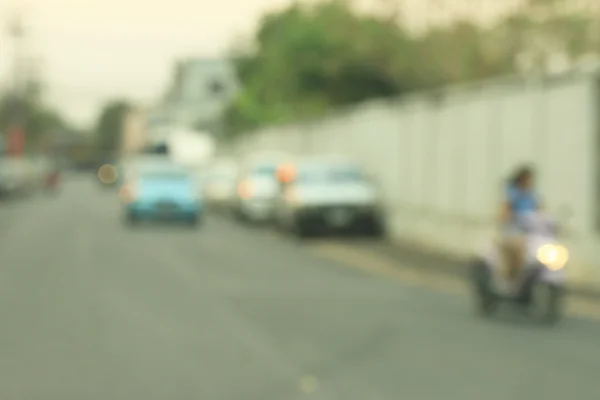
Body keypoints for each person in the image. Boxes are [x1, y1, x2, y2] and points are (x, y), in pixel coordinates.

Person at [498, 165, 542, 283]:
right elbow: (505, 211)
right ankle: (512, 279)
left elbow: (540, 211)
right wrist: (508, 217)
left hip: (532, 233)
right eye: (528, 179)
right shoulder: (513, 193)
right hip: (514, 231)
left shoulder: (533, 195)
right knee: (518, 250)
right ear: (522, 179)